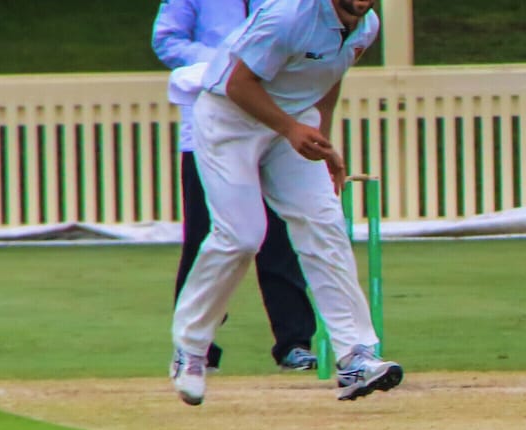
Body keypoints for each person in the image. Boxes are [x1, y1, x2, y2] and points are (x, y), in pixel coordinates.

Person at [169, 0, 399, 405]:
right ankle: (190, 349)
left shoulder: (366, 27)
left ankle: (354, 356)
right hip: (229, 118)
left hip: (291, 123)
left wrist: (321, 139)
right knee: (242, 236)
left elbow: (328, 79)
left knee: (323, 222)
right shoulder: (289, 14)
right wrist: (292, 128)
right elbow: (239, 84)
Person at [155, 0, 320, 373]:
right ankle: (197, 346)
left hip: (272, 128)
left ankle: (294, 341)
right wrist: (225, 60)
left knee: (279, 238)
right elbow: (167, 40)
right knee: (205, 238)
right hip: (209, 132)